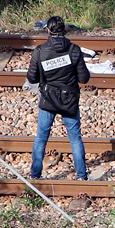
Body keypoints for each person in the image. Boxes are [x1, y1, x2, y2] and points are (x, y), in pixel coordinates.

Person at [26, 16, 91, 180]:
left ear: (48, 30)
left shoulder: (40, 51)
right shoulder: (75, 50)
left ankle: (35, 175)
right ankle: (82, 176)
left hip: (48, 99)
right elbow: (84, 79)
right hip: (69, 99)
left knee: (41, 138)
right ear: (65, 30)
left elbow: (32, 79)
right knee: (75, 138)